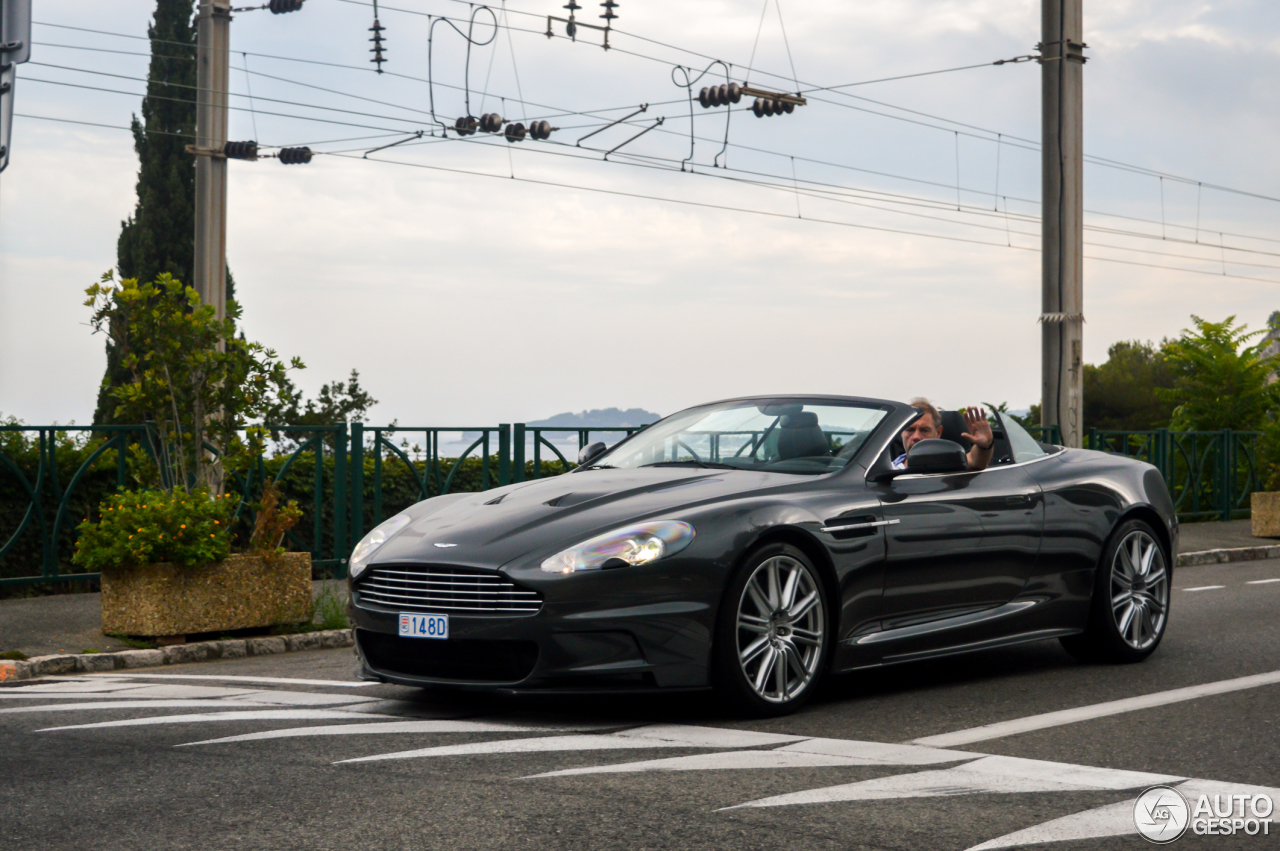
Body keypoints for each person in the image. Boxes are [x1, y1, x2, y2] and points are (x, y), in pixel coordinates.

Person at [891, 398, 994, 472]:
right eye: (910, 430)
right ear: (901, 432)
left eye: (925, 430)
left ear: (938, 432)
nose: (916, 437)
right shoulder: (888, 468)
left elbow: (975, 461)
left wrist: (984, 446)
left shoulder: (949, 462)